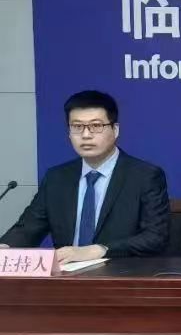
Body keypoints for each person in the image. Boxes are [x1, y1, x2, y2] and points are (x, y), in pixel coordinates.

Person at [0, 90, 170, 264]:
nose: (86, 135)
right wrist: (5, 247)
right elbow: (28, 229)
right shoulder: (57, 178)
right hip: (66, 275)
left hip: (121, 274)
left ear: (115, 130)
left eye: (96, 126)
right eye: (77, 127)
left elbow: (155, 237)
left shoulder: (144, 176)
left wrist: (100, 250)